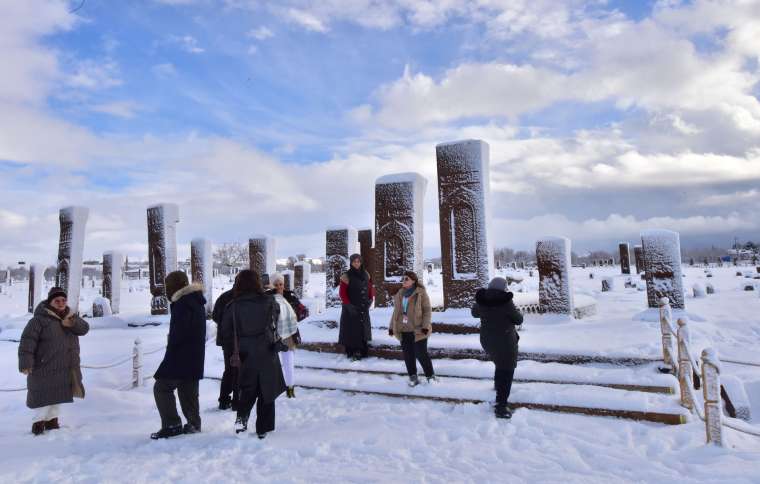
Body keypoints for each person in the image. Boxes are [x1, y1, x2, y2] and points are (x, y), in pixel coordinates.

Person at [221, 270, 286, 438]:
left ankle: (242, 418)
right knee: (267, 389)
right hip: (267, 349)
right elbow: (277, 320)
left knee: (246, 388)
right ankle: (263, 428)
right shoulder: (269, 301)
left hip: (244, 352)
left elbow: (225, 332)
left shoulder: (233, 306)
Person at [18, 287, 89, 435]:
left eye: (63, 300)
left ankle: (52, 422)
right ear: (50, 302)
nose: (61, 303)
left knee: (58, 396)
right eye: (57, 301)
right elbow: (27, 342)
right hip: (44, 366)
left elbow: (84, 329)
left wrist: (73, 322)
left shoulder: (69, 317)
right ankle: (38, 423)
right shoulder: (38, 320)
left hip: (63, 366)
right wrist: (26, 363)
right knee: (43, 399)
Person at [151, 271, 207, 439]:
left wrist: (170, 356)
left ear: (176, 286)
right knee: (187, 388)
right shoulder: (194, 300)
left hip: (181, 355)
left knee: (161, 387)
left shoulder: (183, 303)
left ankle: (172, 424)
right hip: (194, 354)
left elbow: (179, 334)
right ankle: (193, 423)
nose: (167, 290)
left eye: (169, 286)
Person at [471, 277, 524, 419]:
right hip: (505, 340)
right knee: (507, 369)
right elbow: (518, 319)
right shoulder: (506, 302)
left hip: (487, 340)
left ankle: (497, 385)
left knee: (499, 361)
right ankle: (501, 406)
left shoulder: (482, 299)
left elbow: (474, 313)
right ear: (504, 288)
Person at [388, 271, 435, 386]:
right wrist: (391, 327)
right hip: (403, 329)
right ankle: (413, 377)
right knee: (408, 355)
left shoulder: (421, 293)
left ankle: (430, 376)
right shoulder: (400, 293)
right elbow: (396, 312)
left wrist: (425, 326)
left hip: (418, 330)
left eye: (406, 279)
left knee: (421, 354)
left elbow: (427, 310)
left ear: (413, 280)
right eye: (403, 278)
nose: (404, 280)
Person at [266, 273, 308, 398]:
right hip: (272, 334)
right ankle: (273, 387)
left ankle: (290, 388)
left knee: (288, 362)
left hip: (289, 333)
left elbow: (303, 311)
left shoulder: (290, 295)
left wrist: (293, 313)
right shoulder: (267, 297)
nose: (279, 287)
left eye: (281, 284)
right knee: (271, 363)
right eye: (276, 284)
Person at [338, 254, 375, 360]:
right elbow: (342, 293)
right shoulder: (346, 276)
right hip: (351, 307)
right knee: (353, 330)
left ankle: (362, 350)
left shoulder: (366, 274)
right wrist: (348, 305)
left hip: (363, 306)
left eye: (358, 261)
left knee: (362, 329)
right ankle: (354, 351)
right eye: (354, 261)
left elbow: (370, 288)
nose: (357, 263)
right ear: (351, 263)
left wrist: (370, 299)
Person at [212, 282, 237, 410]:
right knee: (239, 370)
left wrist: (223, 325)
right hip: (240, 340)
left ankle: (224, 400)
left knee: (229, 370)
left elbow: (215, 316)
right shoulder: (245, 297)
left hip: (226, 339)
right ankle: (237, 400)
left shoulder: (224, 296)